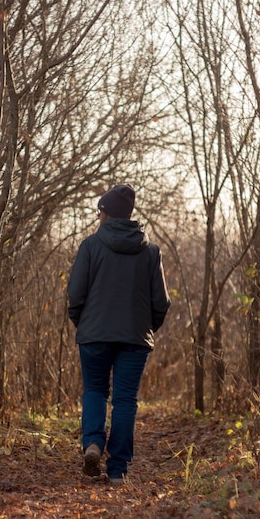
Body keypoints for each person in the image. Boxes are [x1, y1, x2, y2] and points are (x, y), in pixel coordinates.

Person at [68, 184, 170, 484]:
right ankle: (117, 471)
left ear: (105, 212)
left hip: (94, 336)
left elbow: (75, 296)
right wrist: (146, 327)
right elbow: (161, 302)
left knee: (95, 391)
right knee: (125, 401)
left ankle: (93, 444)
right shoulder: (150, 251)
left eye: (100, 210)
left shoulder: (90, 246)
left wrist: (84, 323)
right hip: (135, 339)